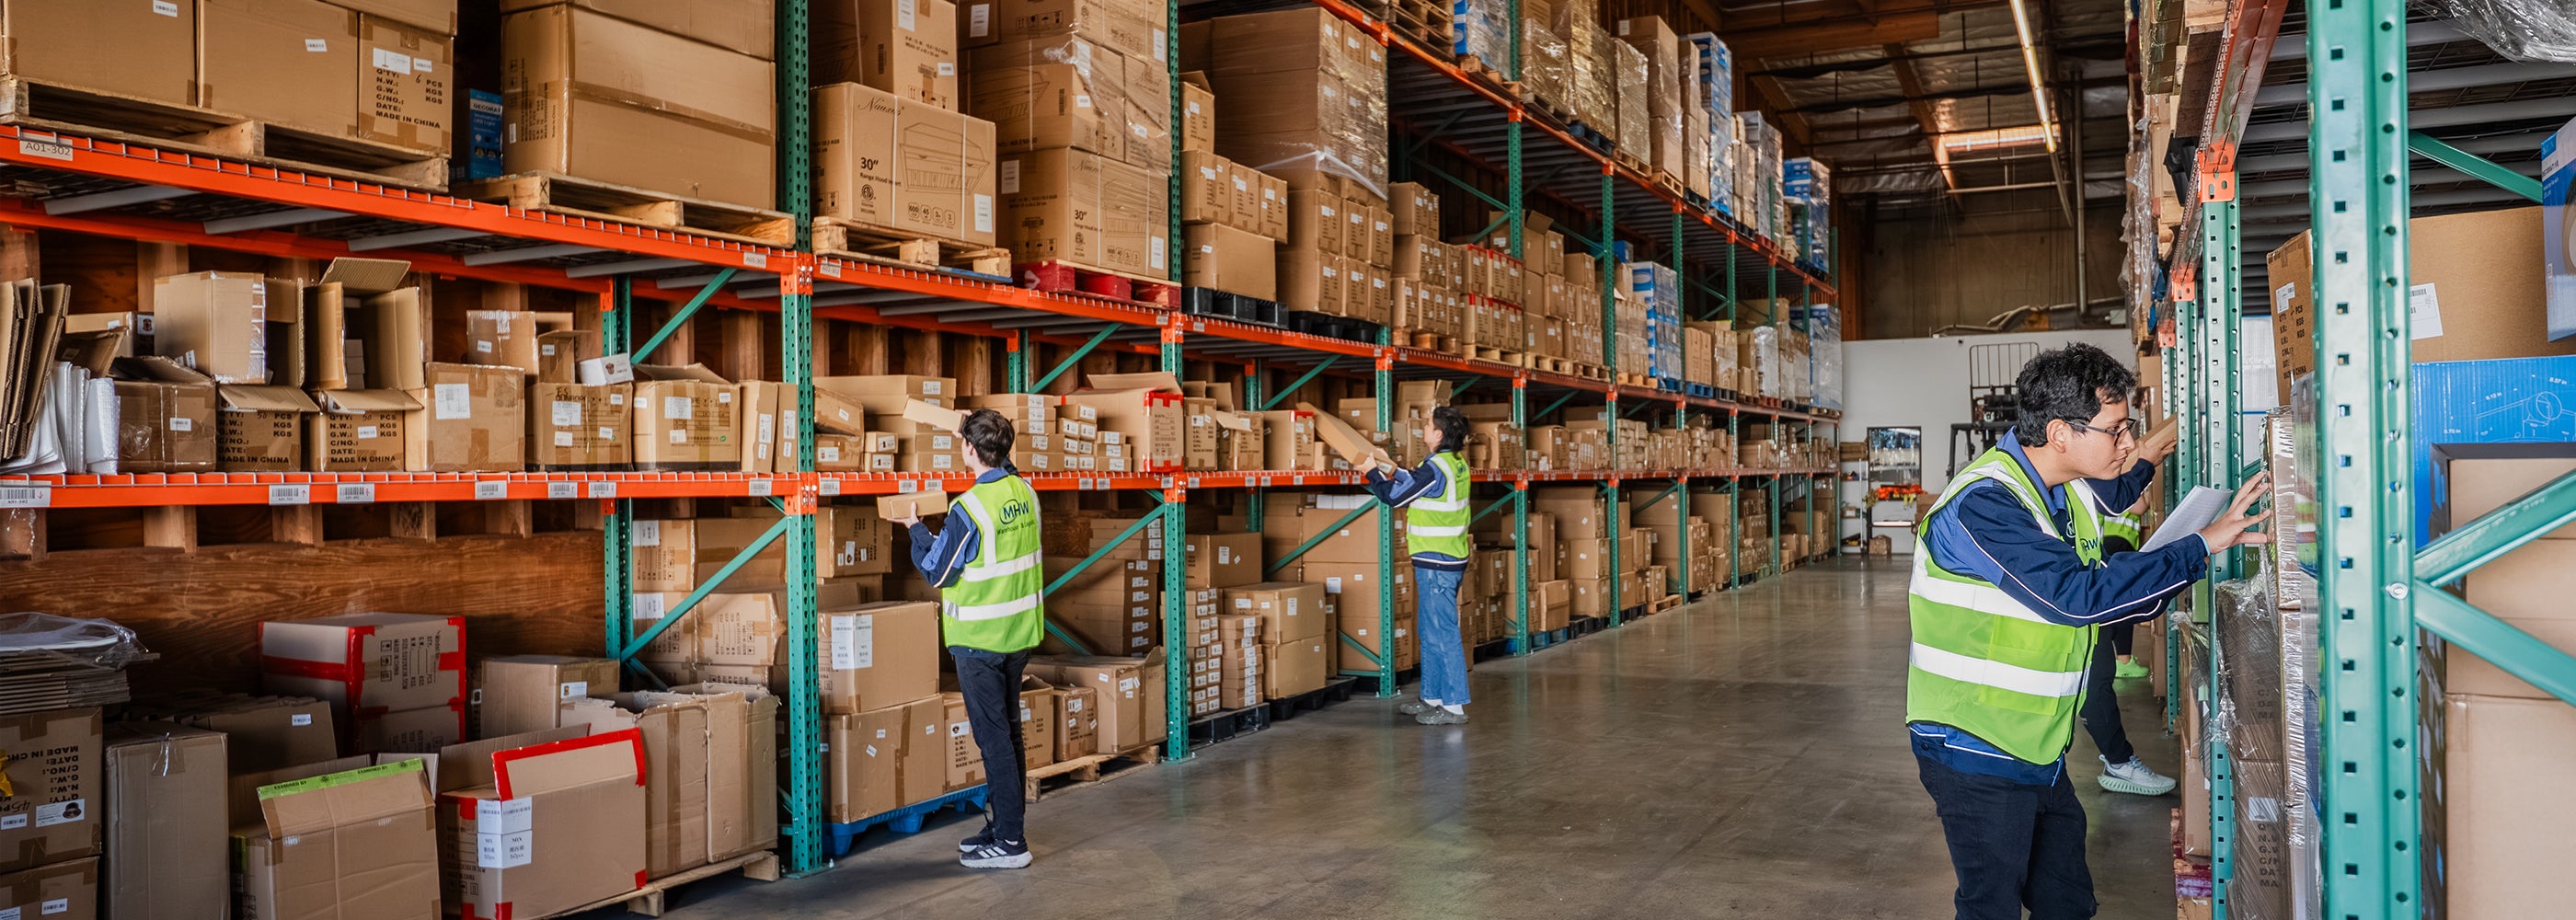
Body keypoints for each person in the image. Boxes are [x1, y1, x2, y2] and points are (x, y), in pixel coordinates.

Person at [1908, 342, 2269, 920]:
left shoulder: (2065, 483)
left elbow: (2121, 489)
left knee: (2067, 901)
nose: (2127, 445)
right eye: (2117, 431)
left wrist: (2171, 451)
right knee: (1990, 905)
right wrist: (2201, 545)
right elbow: (2076, 596)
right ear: (2060, 433)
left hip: (2037, 746)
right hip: (1972, 744)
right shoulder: (1983, 507)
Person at [893, 408, 1043, 869]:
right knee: (1010, 735)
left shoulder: (969, 509)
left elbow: (938, 570)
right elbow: (1004, 469)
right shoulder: (1026, 492)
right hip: (1019, 635)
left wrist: (914, 528)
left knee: (993, 739)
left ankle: (1012, 843)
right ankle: (1003, 826)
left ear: (969, 450)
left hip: (981, 640)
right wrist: (974, 431)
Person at [1360, 405, 1473, 726]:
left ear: (1438, 434)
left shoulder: (1436, 467)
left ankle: (1454, 708)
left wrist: (1371, 472)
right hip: (1444, 558)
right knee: (1429, 630)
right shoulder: (1453, 463)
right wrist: (1391, 468)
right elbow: (1418, 483)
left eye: (1427, 424)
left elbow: (1395, 498)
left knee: (1444, 633)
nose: (1423, 428)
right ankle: (1434, 697)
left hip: (1438, 562)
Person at [2076, 490, 2177, 797]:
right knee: (2096, 683)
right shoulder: (2094, 487)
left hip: (2093, 575)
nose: (2122, 449)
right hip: (2091, 581)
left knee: (2098, 677)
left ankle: (2118, 760)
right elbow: (2134, 502)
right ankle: (2119, 762)